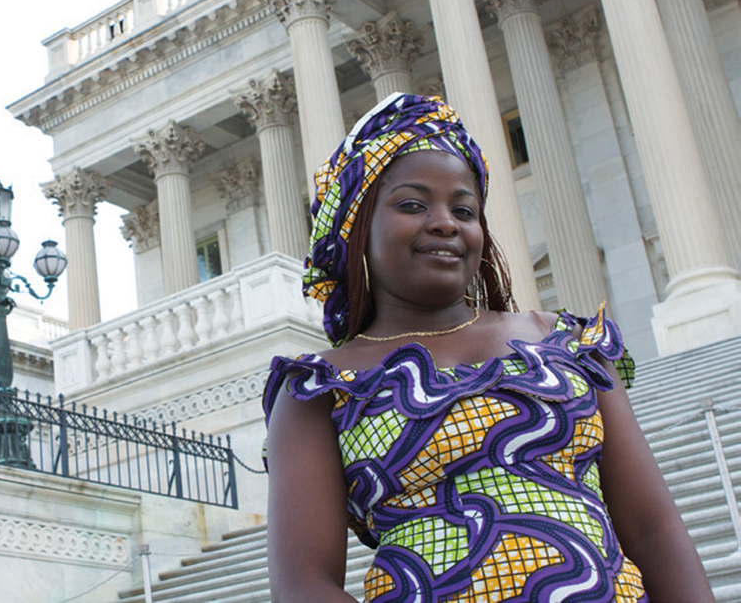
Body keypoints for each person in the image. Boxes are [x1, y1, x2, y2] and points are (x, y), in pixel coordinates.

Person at [263, 93, 712, 602]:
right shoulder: (319, 388)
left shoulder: (567, 342)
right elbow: (304, 583)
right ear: (355, 229)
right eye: (412, 204)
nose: (445, 222)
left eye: (464, 209)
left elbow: (654, 529)